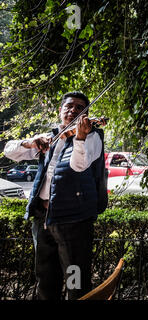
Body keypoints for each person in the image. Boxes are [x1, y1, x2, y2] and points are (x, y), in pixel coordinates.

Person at [4, 91, 105, 300]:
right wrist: (32, 141)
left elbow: (79, 166)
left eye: (79, 108)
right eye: (69, 106)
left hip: (74, 220)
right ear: (60, 111)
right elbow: (9, 150)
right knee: (45, 277)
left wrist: (80, 137)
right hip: (43, 218)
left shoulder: (92, 137)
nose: (73, 110)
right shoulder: (49, 137)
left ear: (86, 115)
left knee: (75, 280)